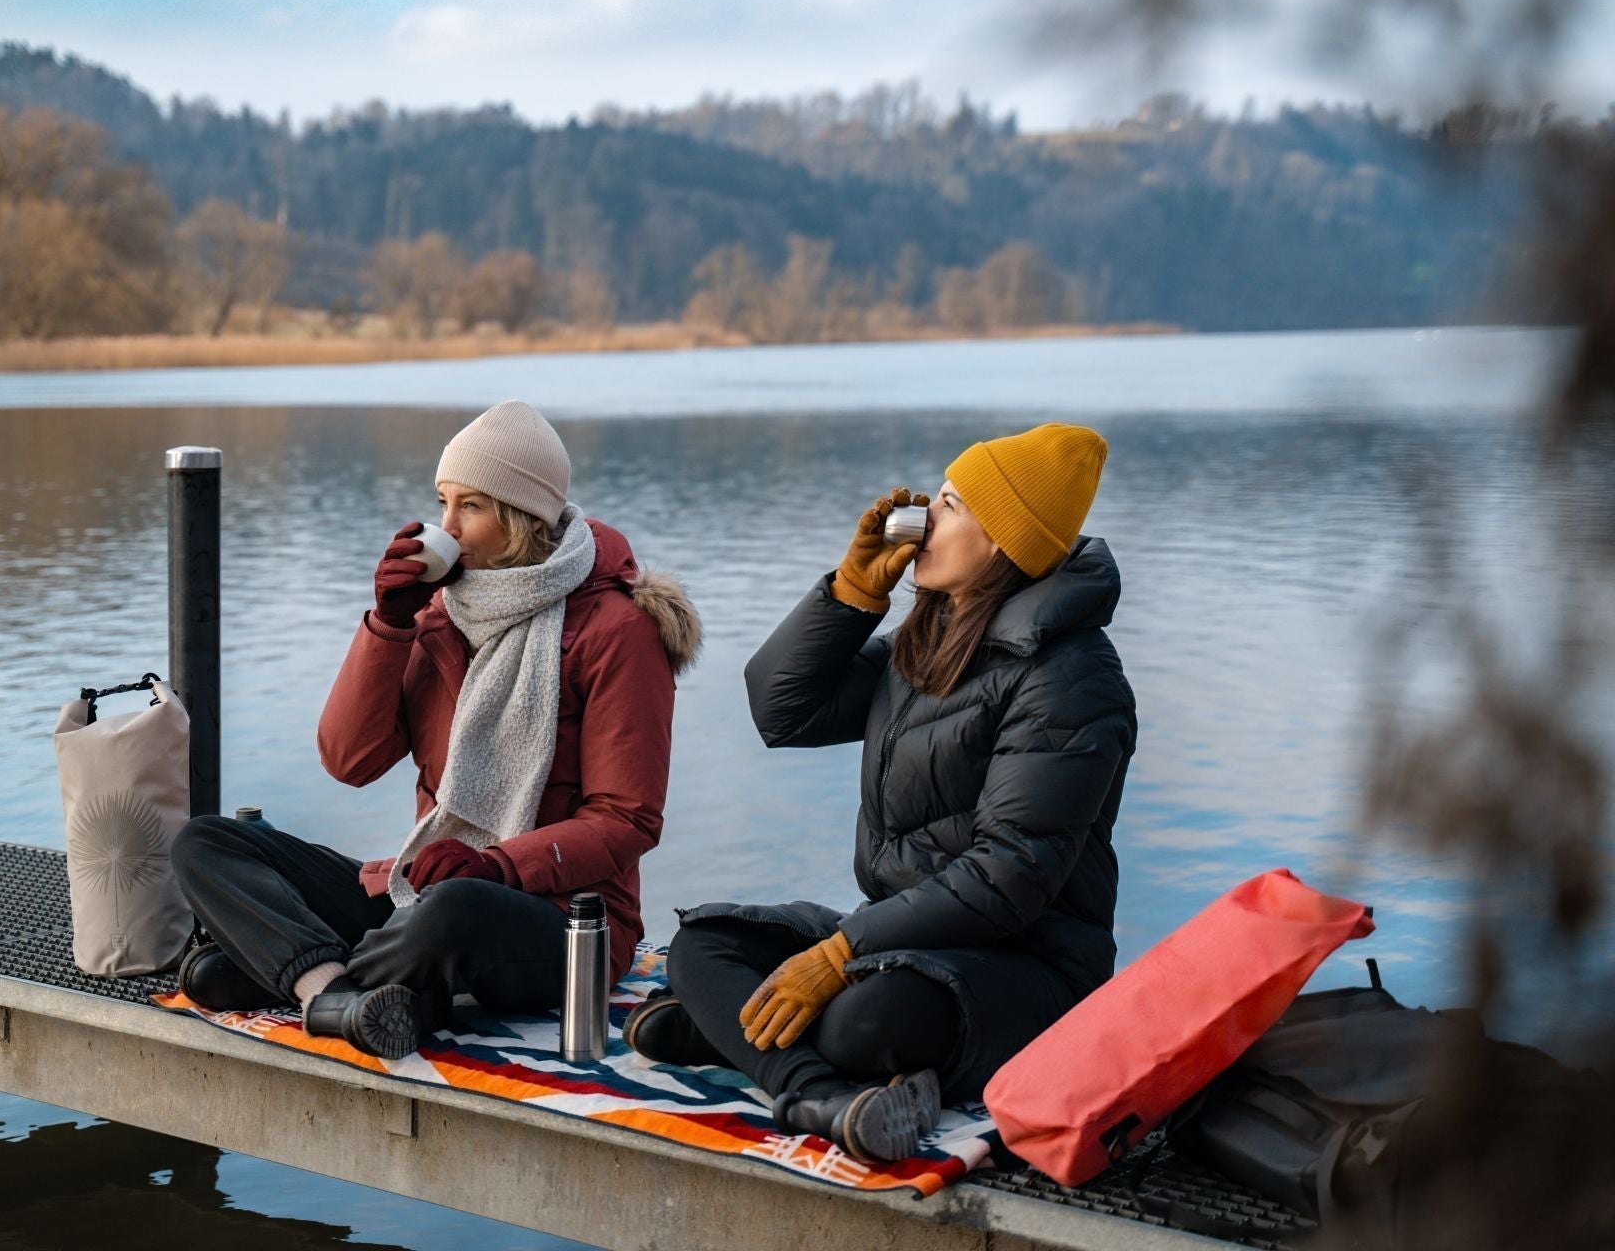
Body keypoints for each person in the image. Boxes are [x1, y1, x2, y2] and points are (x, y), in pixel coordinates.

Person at [629, 423, 1135, 1163]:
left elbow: (1007, 878)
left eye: (954, 505)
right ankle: (816, 1093)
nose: (927, 516)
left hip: (1030, 966)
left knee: (861, 1021)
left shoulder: (1072, 679)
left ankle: (738, 1040)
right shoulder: (928, 643)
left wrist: (838, 956)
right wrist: (853, 589)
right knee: (704, 942)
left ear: (1003, 541)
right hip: (901, 938)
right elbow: (782, 711)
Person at [172, 400, 701, 1058]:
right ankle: (334, 994)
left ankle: (291, 969)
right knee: (208, 841)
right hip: (422, 891)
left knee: (455, 910)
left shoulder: (619, 630)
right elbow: (349, 760)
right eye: (442, 502)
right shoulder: (439, 615)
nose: (444, 527)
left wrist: (496, 866)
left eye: (470, 507)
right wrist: (388, 625)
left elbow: (628, 819)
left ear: (522, 518)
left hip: (561, 926)